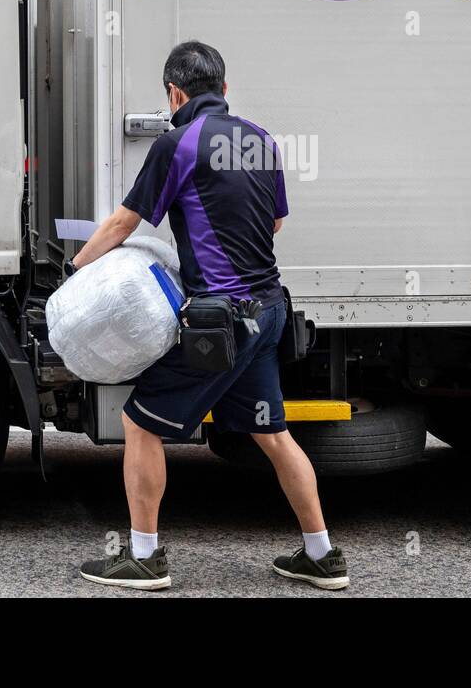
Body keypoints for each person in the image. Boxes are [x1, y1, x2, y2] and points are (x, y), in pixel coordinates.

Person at [70, 41, 348, 591]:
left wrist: (76, 269)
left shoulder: (179, 143)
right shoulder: (262, 141)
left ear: (175, 94)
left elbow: (125, 223)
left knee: (139, 422)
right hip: (269, 311)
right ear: (224, 89)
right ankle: (322, 554)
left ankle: (145, 557)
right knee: (272, 432)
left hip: (223, 324)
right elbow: (274, 226)